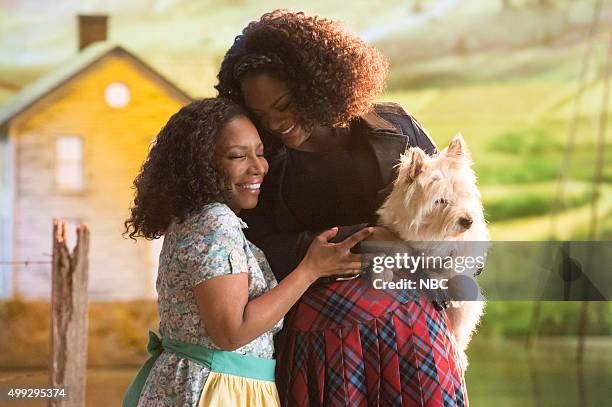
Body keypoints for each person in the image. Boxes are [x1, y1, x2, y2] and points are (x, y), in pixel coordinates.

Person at [216, 10, 469, 406]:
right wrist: (346, 243)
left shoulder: (394, 128)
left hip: (414, 330)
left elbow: (463, 226)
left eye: (284, 104)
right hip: (318, 342)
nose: (276, 123)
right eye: (261, 115)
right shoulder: (261, 161)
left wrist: (426, 262)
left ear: (317, 84)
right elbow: (249, 250)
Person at [121, 98, 373, 407]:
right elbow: (231, 332)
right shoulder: (216, 222)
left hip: (194, 382)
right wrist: (310, 270)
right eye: (238, 156)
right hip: (217, 390)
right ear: (201, 164)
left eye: (260, 153)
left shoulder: (191, 218)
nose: (258, 167)